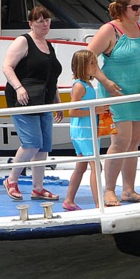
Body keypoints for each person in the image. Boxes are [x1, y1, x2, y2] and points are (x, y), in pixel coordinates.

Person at [87, 0, 140, 205]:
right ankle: (109, 190)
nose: (139, 11)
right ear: (122, 8)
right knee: (120, 142)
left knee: (134, 142)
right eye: (135, 7)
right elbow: (87, 58)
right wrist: (105, 81)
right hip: (115, 94)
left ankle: (129, 190)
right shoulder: (109, 30)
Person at [1, 5, 63, 201]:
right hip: (25, 99)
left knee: (43, 146)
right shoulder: (24, 41)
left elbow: (50, 76)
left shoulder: (48, 45)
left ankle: (38, 188)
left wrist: (56, 99)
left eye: (47, 20)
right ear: (31, 23)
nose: (45, 24)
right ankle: (11, 180)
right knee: (31, 143)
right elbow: (7, 67)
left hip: (44, 100)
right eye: (40, 21)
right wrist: (19, 88)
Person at [63, 49, 100, 212]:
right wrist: (95, 111)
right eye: (92, 63)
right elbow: (72, 111)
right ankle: (99, 202)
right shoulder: (79, 86)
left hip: (89, 129)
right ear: (82, 66)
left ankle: (69, 200)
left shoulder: (88, 84)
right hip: (83, 131)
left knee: (81, 166)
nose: (95, 66)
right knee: (96, 166)